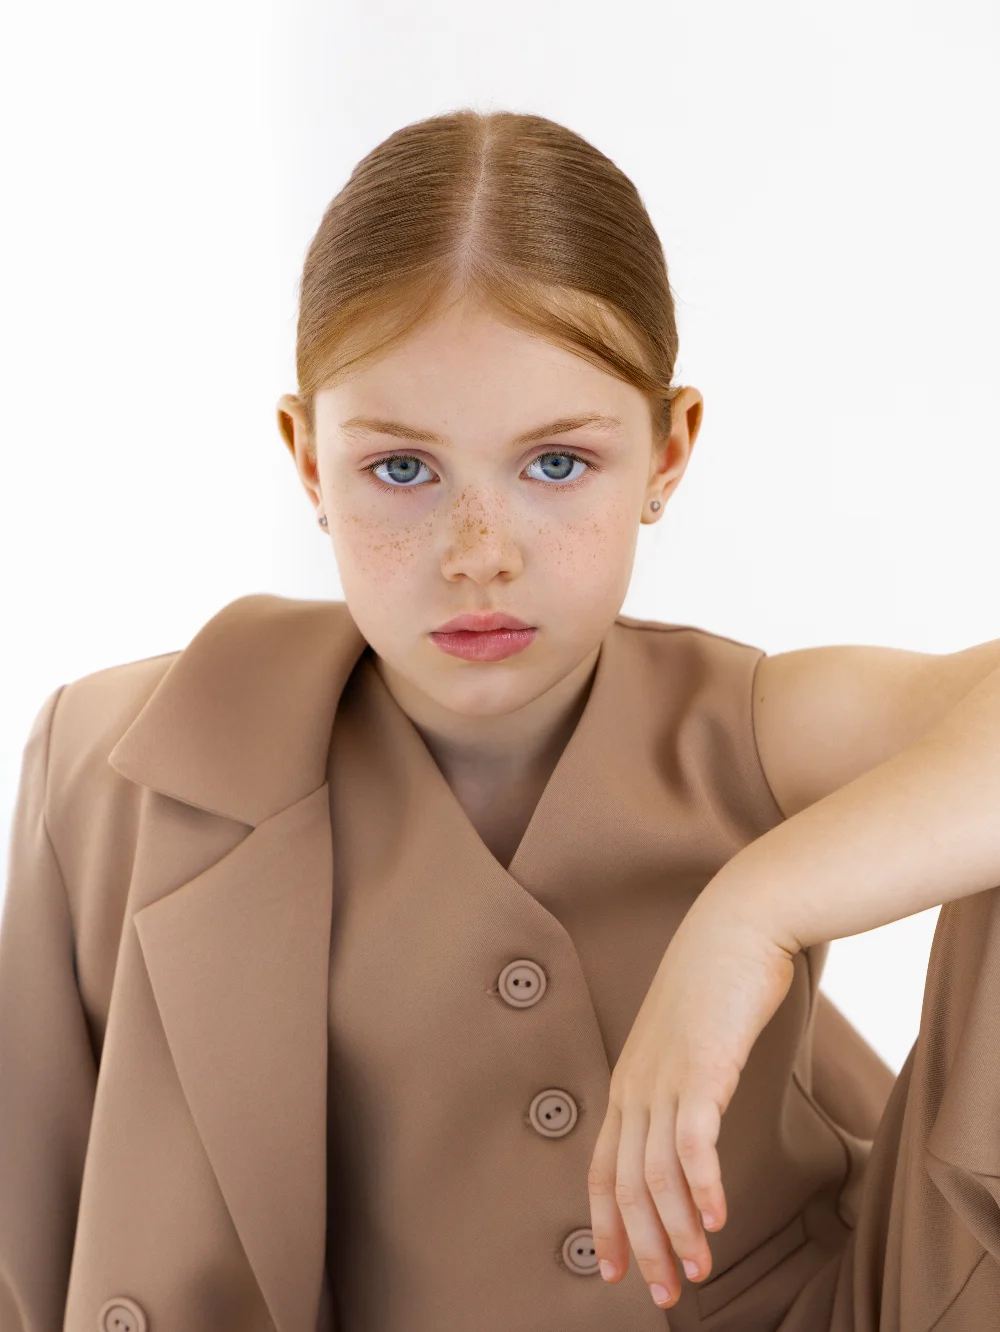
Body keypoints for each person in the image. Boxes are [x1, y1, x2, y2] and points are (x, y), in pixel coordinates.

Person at [1, 108, 998, 1332]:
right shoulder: (118, 764)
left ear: (667, 452)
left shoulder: (743, 727)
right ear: (308, 460)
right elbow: (26, 1239)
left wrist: (751, 914)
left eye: (556, 465)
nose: (479, 554)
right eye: (402, 470)